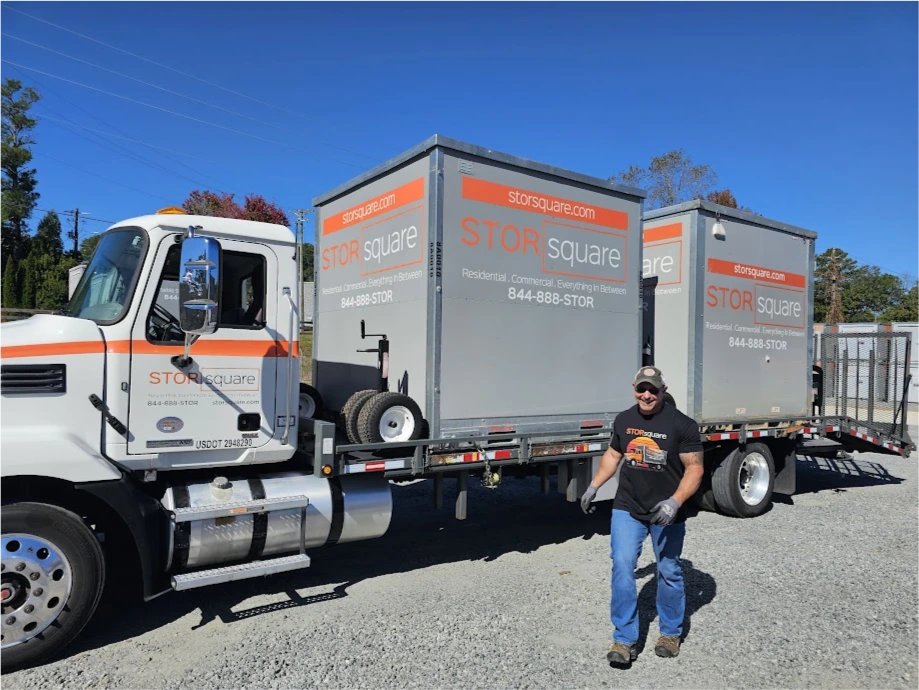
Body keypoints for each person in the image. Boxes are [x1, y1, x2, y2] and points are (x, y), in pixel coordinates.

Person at [581, 365, 704, 667]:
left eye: (653, 389)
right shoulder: (624, 420)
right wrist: (594, 485)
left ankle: (670, 634)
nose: (647, 395)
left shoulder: (682, 425)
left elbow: (695, 468)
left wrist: (675, 502)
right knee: (622, 566)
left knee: (669, 570)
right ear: (633, 388)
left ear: (663, 389)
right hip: (628, 506)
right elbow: (613, 454)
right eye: (642, 389)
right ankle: (624, 639)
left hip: (667, 511)